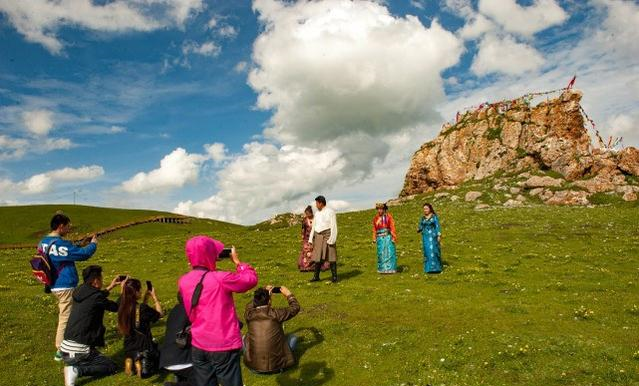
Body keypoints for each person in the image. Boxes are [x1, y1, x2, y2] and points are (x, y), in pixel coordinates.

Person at [178, 236, 258, 386]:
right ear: (210, 254)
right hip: (223, 344)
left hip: (198, 343)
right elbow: (249, 280)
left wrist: (208, 262)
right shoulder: (220, 278)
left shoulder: (183, 281)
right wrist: (238, 262)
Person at [39, 213, 98, 361]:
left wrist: (79, 244)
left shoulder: (43, 242)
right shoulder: (60, 244)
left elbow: (64, 253)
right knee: (65, 316)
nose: (69, 229)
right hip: (64, 284)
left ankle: (75, 338)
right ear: (61, 226)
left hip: (53, 283)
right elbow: (83, 255)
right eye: (67, 226)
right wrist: (93, 244)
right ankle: (60, 349)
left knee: (70, 313)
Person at [59, 265, 122, 386]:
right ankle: (76, 370)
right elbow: (116, 307)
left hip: (66, 348)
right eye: (101, 278)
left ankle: (76, 365)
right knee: (110, 366)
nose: (102, 281)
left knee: (98, 358)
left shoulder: (79, 290)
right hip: (78, 351)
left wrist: (111, 287)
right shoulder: (96, 297)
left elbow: (95, 297)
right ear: (96, 280)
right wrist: (123, 292)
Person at [243, 285, 301, 373]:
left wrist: (262, 294)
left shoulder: (249, 314)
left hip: (254, 367)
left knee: (244, 338)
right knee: (293, 338)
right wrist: (289, 294)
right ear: (269, 301)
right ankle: (282, 363)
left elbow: (250, 305)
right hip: (278, 366)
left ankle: (255, 363)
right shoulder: (276, 314)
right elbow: (295, 307)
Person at [117, 278, 163, 378]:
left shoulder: (122, 305)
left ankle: (131, 359)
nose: (141, 292)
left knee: (134, 355)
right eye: (140, 290)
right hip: (143, 345)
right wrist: (154, 298)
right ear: (135, 292)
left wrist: (146, 298)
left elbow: (140, 313)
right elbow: (159, 314)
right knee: (161, 356)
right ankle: (139, 361)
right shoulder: (141, 308)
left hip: (129, 345)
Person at [160, 294, 195, 386]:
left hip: (166, 358)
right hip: (181, 359)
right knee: (206, 379)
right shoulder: (190, 310)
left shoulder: (174, 310)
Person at [307, 195, 339, 283]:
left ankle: (335, 277)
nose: (316, 205)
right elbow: (314, 227)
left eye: (317, 203)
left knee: (332, 256)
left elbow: (334, 226)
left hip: (328, 235)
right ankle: (316, 277)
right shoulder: (317, 214)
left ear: (321, 203)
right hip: (318, 236)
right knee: (318, 257)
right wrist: (310, 239)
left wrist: (332, 238)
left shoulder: (330, 212)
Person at [298, 206, 329, 272]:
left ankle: (317, 266)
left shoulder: (316, 219)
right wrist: (302, 236)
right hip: (307, 239)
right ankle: (306, 266)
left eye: (308, 213)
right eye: (306, 213)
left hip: (316, 238)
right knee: (307, 252)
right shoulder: (305, 220)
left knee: (317, 252)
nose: (307, 215)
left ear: (311, 213)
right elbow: (303, 229)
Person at [372, 203, 398, 274]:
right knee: (381, 253)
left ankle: (390, 269)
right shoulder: (375, 219)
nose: (379, 211)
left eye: (381, 209)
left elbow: (392, 227)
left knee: (389, 252)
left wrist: (393, 237)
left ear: (384, 209)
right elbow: (374, 229)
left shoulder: (388, 217)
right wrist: (374, 238)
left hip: (388, 237)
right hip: (380, 238)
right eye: (378, 209)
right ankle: (382, 269)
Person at [418, 203, 442, 273]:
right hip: (425, 237)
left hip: (433, 236)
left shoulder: (434, 217)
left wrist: (439, 235)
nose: (425, 210)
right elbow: (421, 225)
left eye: (426, 209)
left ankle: (436, 268)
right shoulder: (423, 218)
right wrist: (419, 229)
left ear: (430, 209)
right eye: (424, 209)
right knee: (427, 251)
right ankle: (428, 269)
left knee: (434, 250)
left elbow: (437, 226)